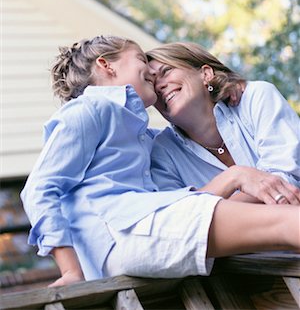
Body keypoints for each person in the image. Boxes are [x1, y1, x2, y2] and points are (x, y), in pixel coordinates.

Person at [21, 35, 300, 288]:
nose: (156, 81)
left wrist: (222, 85)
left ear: (205, 75)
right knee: (287, 222)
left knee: (287, 223)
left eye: (164, 72)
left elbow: (185, 202)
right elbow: (39, 189)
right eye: (143, 61)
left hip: (138, 228)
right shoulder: (90, 110)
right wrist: (70, 269)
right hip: (122, 230)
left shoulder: (138, 135)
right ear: (106, 66)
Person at [147, 42, 300, 205]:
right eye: (150, 84)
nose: (159, 87)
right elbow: (178, 218)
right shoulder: (162, 152)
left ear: (205, 74)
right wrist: (234, 178)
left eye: (166, 72)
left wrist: (210, 211)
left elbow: (288, 177)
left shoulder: (256, 98)